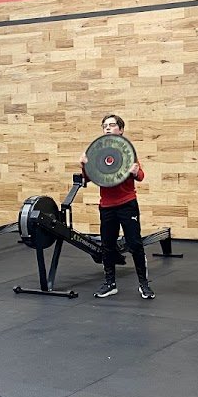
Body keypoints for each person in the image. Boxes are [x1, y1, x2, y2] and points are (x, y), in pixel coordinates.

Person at [79, 113, 155, 300]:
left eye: (112, 125)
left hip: (127, 204)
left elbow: (141, 176)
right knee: (108, 246)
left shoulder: (126, 151)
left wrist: (136, 172)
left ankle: (144, 284)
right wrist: (84, 166)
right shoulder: (97, 153)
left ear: (120, 130)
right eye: (105, 125)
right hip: (107, 206)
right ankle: (110, 284)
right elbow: (89, 178)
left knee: (134, 244)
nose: (107, 127)